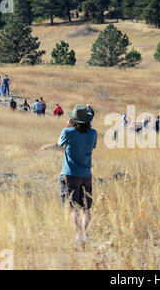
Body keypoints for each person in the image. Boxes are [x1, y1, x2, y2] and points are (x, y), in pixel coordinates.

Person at [58, 105, 97, 246]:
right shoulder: (93, 133)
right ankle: (86, 236)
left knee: (72, 207)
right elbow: (91, 147)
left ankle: (78, 236)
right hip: (86, 175)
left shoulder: (67, 132)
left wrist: (68, 126)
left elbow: (59, 143)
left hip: (70, 174)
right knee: (85, 207)